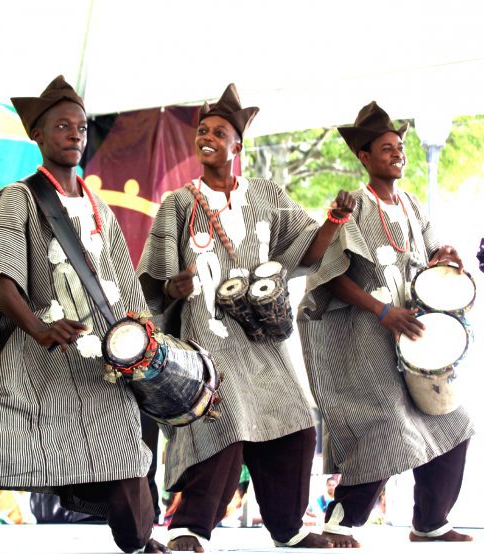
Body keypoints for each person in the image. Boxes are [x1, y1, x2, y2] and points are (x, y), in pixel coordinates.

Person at [0, 76, 169, 554]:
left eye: (80, 127)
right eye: (62, 126)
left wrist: (142, 340)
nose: (74, 134)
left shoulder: (99, 206)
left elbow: (123, 282)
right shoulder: (19, 197)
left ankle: (139, 543)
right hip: (33, 359)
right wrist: (37, 327)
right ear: (37, 136)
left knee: (122, 450)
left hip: (97, 362)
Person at [136, 82, 355, 551]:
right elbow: (152, 281)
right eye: (202, 130)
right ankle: (189, 527)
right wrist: (174, 286)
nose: (207, 137)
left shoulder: (264, 195)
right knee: (227, 417)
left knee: (295, 420)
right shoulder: (179, 203)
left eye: (219, 131)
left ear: (238, 144)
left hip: (263, 337)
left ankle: (289, 528)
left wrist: (333, 221)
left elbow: (307, 252)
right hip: (208, 338)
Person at [297, 101, 475, 547]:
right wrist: (382, 312)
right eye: (386, 148)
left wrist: (445, 257)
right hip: (369, 341)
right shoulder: (353, 207)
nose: (397, 154)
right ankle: (340, 522)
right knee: (388, 430)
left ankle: (430, 522)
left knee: (454, 423)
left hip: (415, 339)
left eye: (400, 147)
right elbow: (329, 277)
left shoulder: (412, 206)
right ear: (365, 156)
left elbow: (434, 253)